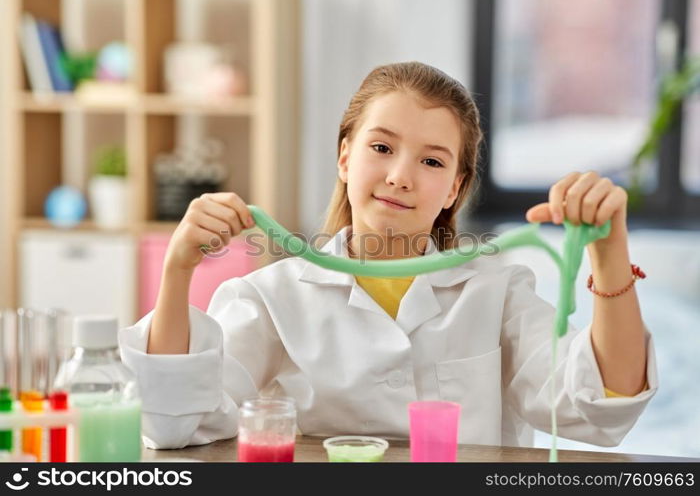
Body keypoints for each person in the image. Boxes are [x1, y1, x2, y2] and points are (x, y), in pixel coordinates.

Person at [119, 62, 656, 450]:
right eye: (381, 148)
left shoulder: (499, 289)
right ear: (344, 156)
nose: (400, 175)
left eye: (431, 160)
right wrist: (177, 269)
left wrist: (610, 254)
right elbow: (174, 425)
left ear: (454, 188)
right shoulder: (269, 297)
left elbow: (596, 412)